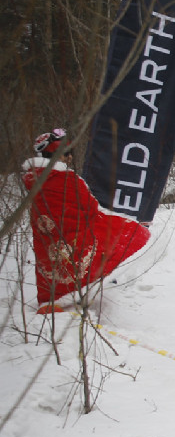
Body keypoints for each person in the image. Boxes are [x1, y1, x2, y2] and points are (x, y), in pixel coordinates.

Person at [21, 129, 151, 314]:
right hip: (69, 235)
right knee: (129, 235)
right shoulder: (66, 179)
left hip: (47, 237)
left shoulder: (33, 180)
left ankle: (53, 297)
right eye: (66, 154)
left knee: (50, 260)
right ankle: (78, 292)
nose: (69, 158)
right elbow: (90, 210)